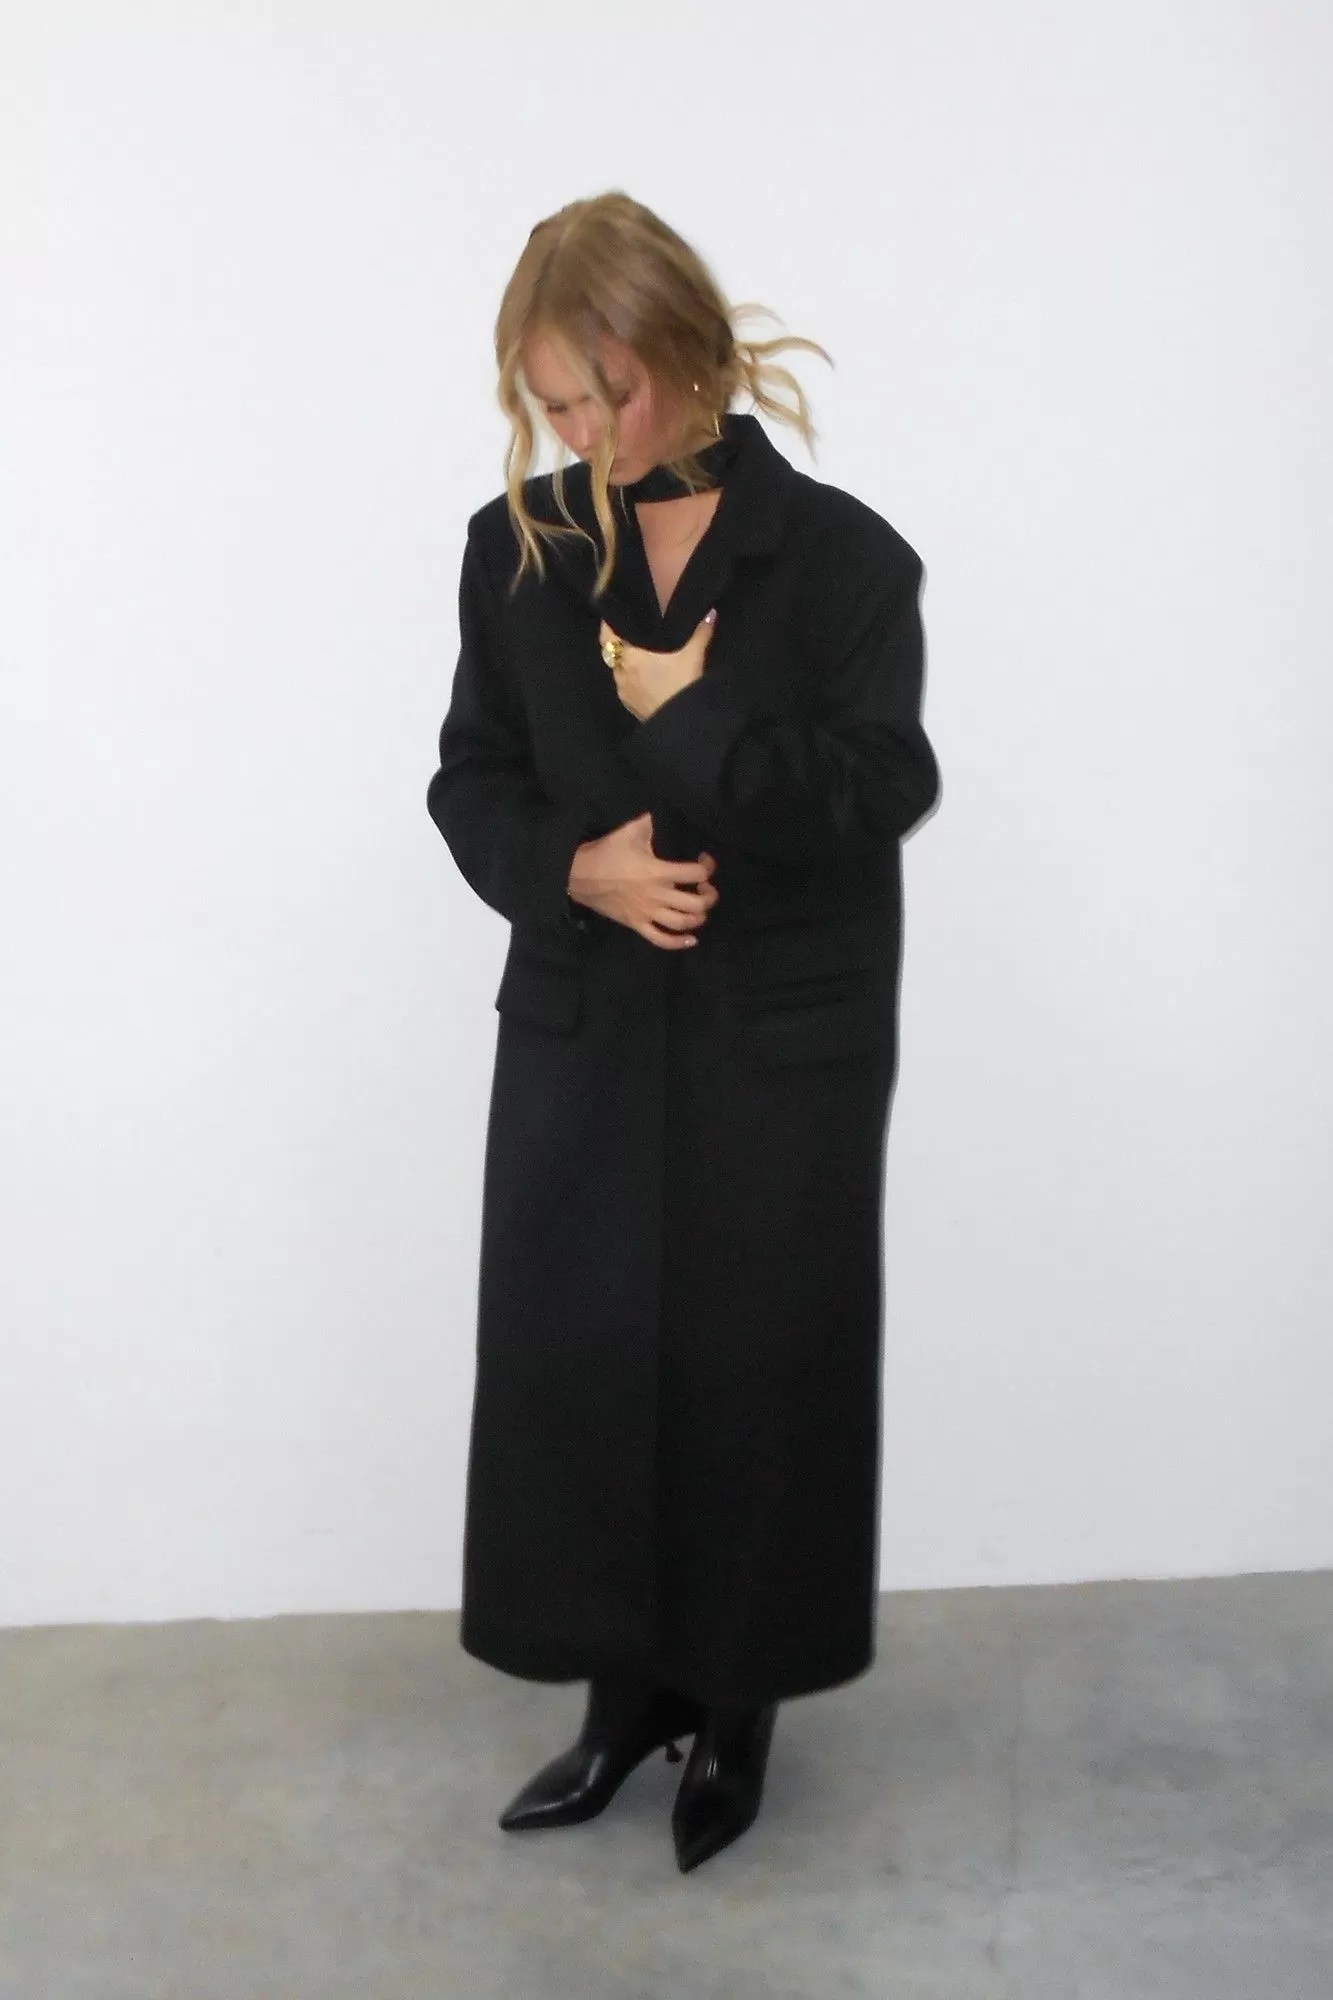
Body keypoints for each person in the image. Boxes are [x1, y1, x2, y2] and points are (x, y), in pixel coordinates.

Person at [426, 190, 940, 1874]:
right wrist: (577, 870)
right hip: (585, 1031)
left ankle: (737, 1704)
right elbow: (470, 779)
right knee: (583, 1362)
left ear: (686, 351)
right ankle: (621, 1696)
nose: (580, 435)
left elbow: (880, 787)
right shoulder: (518, 550)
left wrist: (696, 718)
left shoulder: (846, 560)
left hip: (777, 1047)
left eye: (605, 395)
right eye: (552, 406)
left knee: (756, 1370)